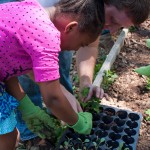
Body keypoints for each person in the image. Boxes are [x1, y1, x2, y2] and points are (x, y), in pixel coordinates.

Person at [0, 0, 105, 150]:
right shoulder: (46, 36)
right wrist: (78, 123)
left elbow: (5, 61)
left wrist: (25, 104)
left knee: (8, 135)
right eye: (81, 44)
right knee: (7, 138)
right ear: (71, 28)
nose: (74, 49)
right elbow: (52, 98)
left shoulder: (31, 9)